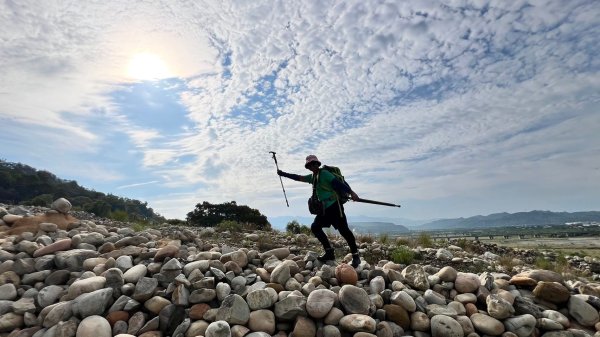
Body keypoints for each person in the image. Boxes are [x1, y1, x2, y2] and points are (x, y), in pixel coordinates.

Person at [277, 154, 361, 267]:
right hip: (324, 210)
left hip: (335, 207)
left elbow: (338, 184)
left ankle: (355, 256)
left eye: (314, 163)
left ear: (317, 164)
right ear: (308, 167)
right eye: (310, 165)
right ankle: (329, 252)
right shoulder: (313, 177)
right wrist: (283, 174)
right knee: (315, 227)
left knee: (344, 231)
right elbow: (298, 177)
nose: (312, 166)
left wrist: (352, 193)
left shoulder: (325, 174)